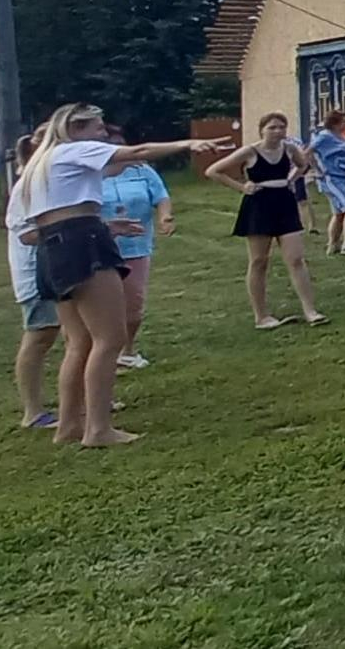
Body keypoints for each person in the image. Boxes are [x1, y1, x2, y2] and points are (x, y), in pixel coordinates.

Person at [14, 104, 231, 445]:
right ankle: (98, 429)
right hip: (82, 241)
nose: (103, 135)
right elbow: (139, 151)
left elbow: (54, 214)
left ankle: (69, 426)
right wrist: (187, 145)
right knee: (109, 339)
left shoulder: (41, 164)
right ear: (76, 129)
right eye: (98, 128)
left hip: (51, 248)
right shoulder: (74, 149)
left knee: (79, 342)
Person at [207, 112, 329, 328]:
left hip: (284, 202)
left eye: (281, 127)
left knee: (296, 259)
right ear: (262, 129)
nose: (277, 131)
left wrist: (290, 180)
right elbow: (214, 171)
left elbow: (302, 165)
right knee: (259, 261)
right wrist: (242, 187)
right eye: (272, 127)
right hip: (258, 205)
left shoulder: (290, 149)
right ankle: (261, 315)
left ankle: (310, 310)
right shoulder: (250, 151)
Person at [99, 123, 177, 368]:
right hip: (100, 248)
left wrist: (165, 217)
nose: (119, 151)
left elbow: (161, 196)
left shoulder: (141, 169)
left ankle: (127, 349)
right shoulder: (89, 175)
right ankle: (102, 352)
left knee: (134, 302)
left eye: (122, 146)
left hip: (136, 244)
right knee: (102, 304)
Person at [6, 133, 58, 430]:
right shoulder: (29, 183)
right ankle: (33, 412)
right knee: (39, 337)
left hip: (54, 269)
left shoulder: (44, 180)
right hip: (36, 275)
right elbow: (27, 234)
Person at [307, 110, 345, 257]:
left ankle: (333, 245)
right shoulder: (325, 136)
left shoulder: (342, 136)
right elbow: (308, 151)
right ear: (335, 123)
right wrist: (317, 170)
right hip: (332, 178)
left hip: (343, 177)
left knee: (338, 213)